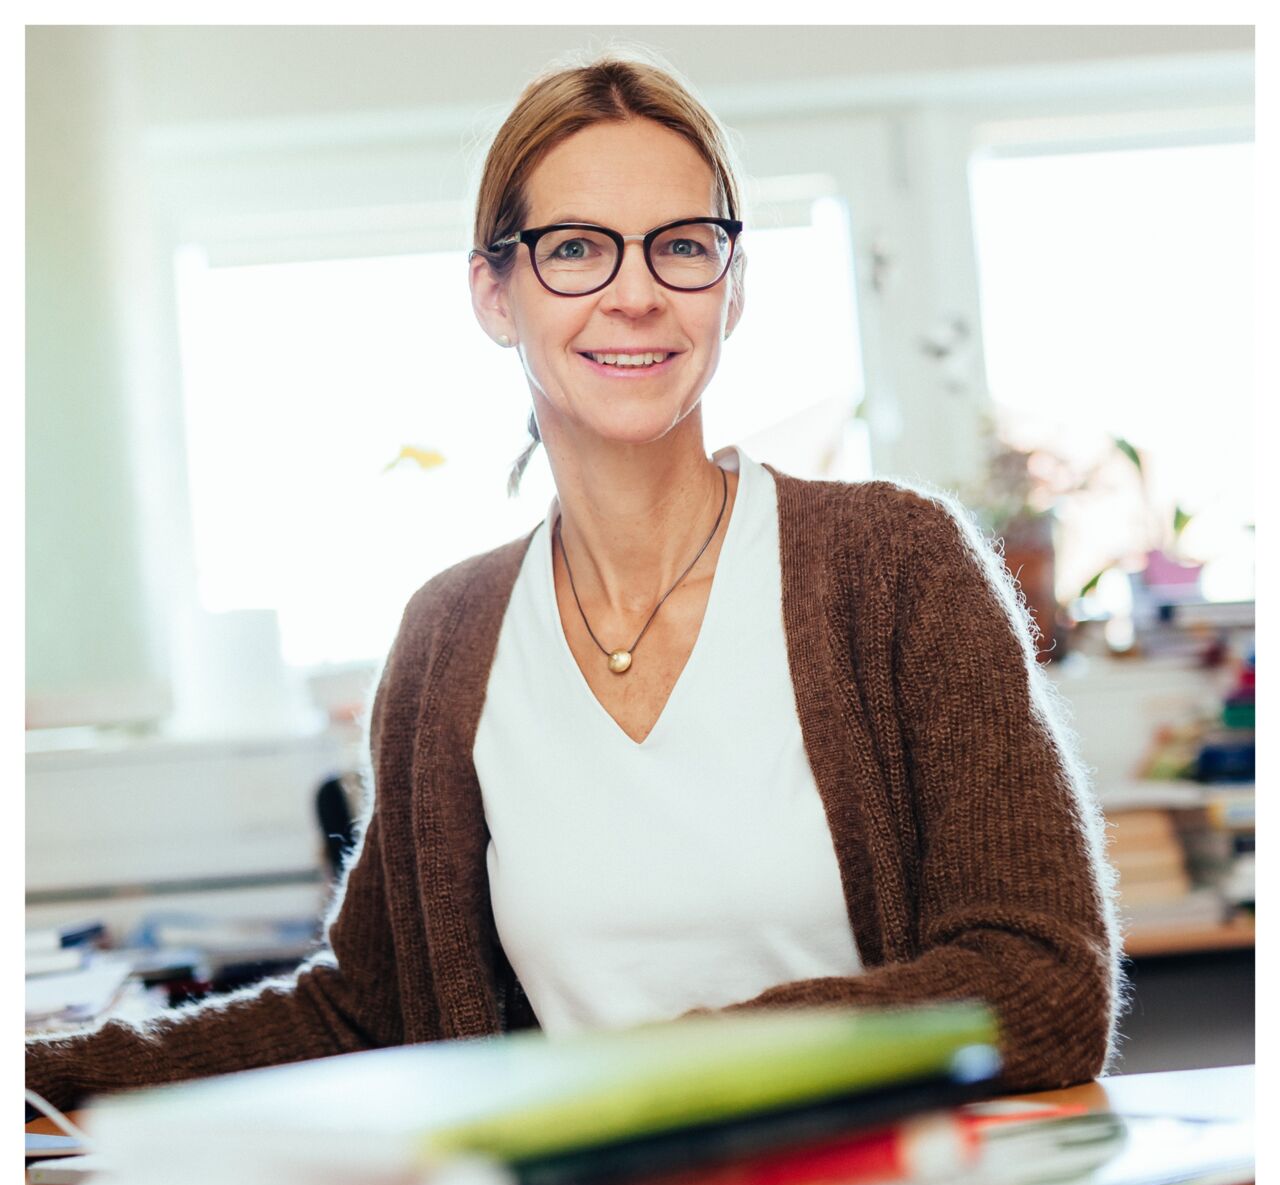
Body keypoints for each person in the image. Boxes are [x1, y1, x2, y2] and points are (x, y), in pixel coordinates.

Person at [26, 52, 1122, 1113]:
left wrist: (675, 1070)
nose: (634, 292)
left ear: (729, 289)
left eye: (681, 245)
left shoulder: (895, 565)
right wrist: (53, 1073)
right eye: (575, 249)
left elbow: (1039, 977)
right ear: (494, 293)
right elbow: (366, 1010)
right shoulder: (446, 636)